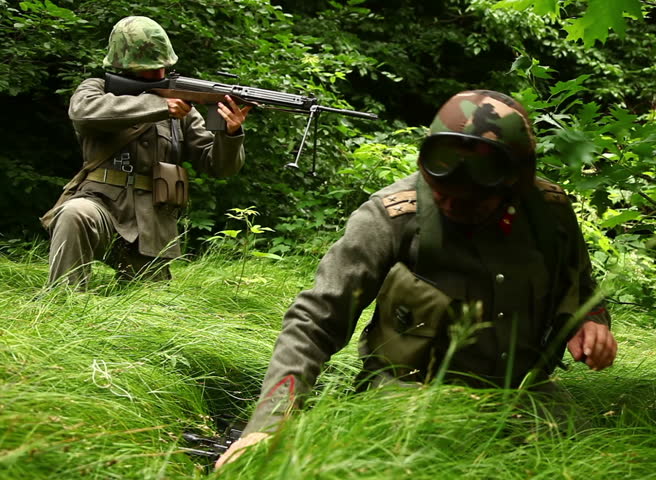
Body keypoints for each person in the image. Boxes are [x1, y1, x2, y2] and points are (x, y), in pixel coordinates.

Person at [216, 90, 617, 468]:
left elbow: (580, 282)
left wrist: (592, 320)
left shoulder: (549, 211)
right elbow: (315, 320)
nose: (451, 204)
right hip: (406, 405)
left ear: (516, 180)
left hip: (525, 401)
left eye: (471, 200)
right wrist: (268, 426)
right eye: (441, 191)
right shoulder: (392, 218)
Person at [41, 16, 251, 287]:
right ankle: (62, 301)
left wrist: (230, 133)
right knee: (74, 213)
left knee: (148, 309)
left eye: (163, 66)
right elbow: (83, 115)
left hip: (151, 225)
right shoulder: (96, 89)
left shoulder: (184, 110)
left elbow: (219, 166)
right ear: (123, 66)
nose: (159, 74)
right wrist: (159, 106)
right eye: (148, 68)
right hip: (99, 206)